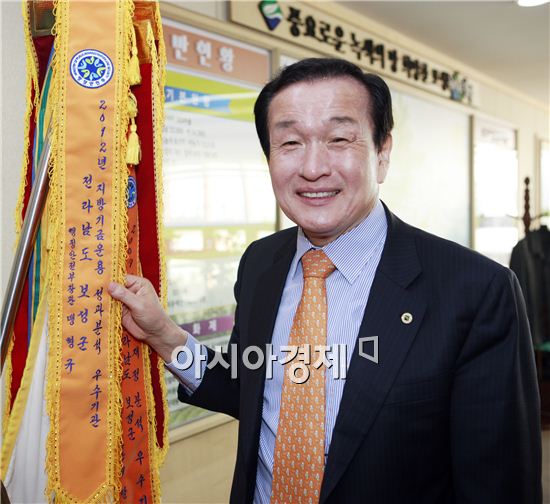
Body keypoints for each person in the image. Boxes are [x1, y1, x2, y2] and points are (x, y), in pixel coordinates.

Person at [109, 58, 542, 503]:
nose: (313, 167)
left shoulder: (476, 291)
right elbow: (253, 386)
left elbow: (499, 483)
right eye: (290, 142)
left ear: (382, 152)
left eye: (339, 139)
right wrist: (166, 337)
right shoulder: (261, 263)